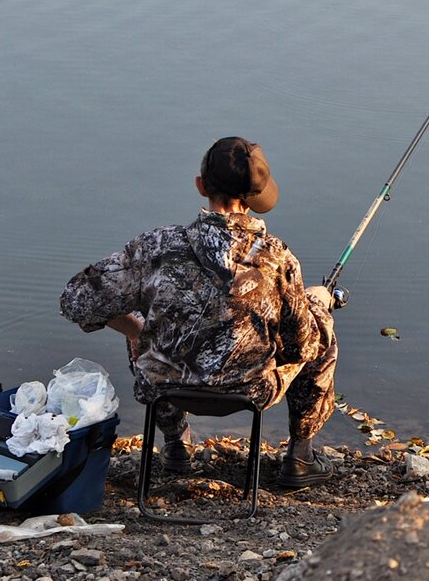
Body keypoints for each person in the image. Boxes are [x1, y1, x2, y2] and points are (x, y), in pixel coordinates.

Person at [59, 137, 338, 488]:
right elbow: (302, 348)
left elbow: (77, 300)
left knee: (146, 331)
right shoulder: (278, 258)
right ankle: (300, 457)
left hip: (165, 386)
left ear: (201, 185)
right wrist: (316, 301)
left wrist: (133, 330)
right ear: (254, 199)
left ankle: (176, 445)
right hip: (251, 391)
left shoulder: (155, 247)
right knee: (321, 328)